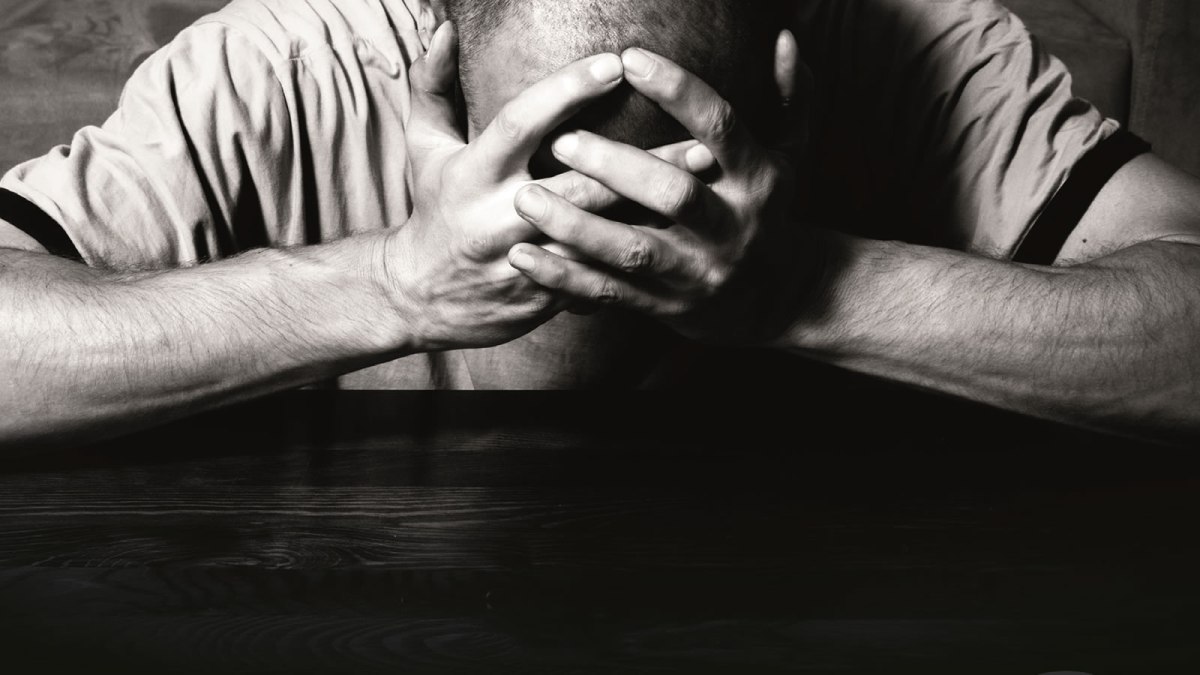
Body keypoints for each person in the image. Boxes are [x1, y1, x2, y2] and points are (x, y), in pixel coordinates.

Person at [0, 0, 1194, 447]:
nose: (602, 250)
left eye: (661, 175)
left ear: (784, 81)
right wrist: (394, 285)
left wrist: (809, 290)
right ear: (431, 60)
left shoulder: (921, 53)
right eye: (539, 163)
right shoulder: (276, 68)